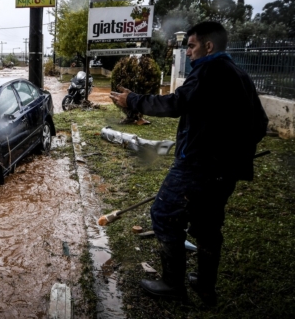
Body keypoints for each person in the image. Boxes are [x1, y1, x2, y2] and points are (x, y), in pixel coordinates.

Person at [109, 21, 268, 305]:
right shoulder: (240, 75)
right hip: (224, 173)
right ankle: (205, 286)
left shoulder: (209, 70)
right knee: (207, 226)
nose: (190, 53)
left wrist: (133, 100)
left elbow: (174, 103)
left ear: (208, 46)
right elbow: (260, 124)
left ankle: (173, 285)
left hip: (196, 168)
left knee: (163, 214)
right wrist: (234, 155)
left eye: (192, 46)